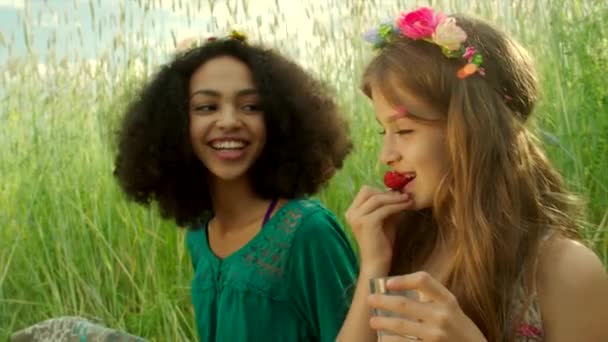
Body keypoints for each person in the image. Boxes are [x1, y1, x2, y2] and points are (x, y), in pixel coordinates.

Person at [337, 7, 608, 342]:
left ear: (472, 130)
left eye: (404, 131)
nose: (387, 156)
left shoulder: (564, 271)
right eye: (384, 133)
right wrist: (374, 265)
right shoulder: (407, 249)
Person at [114, 31, 358, 341]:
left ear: (278, 120)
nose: (229, 121)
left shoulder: (308, 232)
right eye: (206, 107)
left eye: (251, 106)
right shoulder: (200, 234)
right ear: (176, 124)